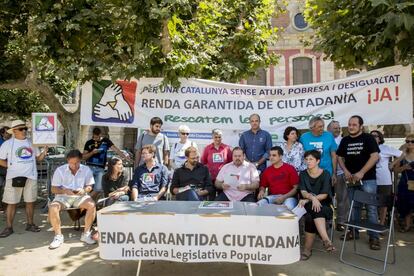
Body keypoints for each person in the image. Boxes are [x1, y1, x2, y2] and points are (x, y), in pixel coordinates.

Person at [336, 115, 381, 250]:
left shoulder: (368, 138)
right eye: (349, 124)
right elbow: (339, 156)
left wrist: (362, 172)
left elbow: (375, 156)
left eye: (354, 124)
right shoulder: (345, 140)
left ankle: (374, 237)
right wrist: (345, 171)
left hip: (368, 179)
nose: (351, 127)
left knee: (371, 208)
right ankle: (353, 232)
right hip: (351, 180)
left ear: (361, 126)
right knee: (354, 207)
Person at [0, 120, 48, 238]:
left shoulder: (32, 143)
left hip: (31, 177)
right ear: (14, 131)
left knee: (30, 201)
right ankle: (9, 227)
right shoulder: (7, 144)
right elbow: (1, 160)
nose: (24, 131)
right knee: (11, 202)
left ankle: (30, 224)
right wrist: (11, 167)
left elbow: (39, 159)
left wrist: (45, 151)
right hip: (13, 177)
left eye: (25, 129)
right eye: (21, 129)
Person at [48, 150, 96, 249]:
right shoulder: (60, 170)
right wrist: (64, 191)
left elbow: (90, 186)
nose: (73, 165)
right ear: (67, 160)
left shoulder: (86, 169)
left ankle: (86, 234)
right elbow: (53, 189)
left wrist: (84, 190)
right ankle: (58, 236)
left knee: (92, 205)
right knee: (53, 207)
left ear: (80, 160)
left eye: (76, 163)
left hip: (80, 196)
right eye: (71, 163)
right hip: (63, 196)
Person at [299, 150, 335, 260]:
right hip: (307, 204)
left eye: (311, 159)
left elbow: (324, 195)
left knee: (312, 215)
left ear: (318, 161)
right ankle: (326, 240)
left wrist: (311, 199)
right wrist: (312, 198)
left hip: (324, 205)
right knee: (313, 210)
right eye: (306, 159)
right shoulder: (303, 173)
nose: (308, 161)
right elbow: (303, 192)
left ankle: (307, 249)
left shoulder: (325, 174)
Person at [83, 127, 129, 198]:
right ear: (93, 135)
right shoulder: (89, 142)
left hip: (100, 168)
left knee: (98, 188)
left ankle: (86, 200)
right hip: (89, 167)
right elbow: (84, 157)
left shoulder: (105, 141)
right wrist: (92, 152)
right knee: (87, 187)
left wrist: (125, 157)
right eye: (94, 137)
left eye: (97, 137)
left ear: (100, 134)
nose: (96, 139)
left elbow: (116, 149)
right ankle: (86, 203)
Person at [370, 130, 402, 225]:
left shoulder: (385, 148)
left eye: (375, 136)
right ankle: (373, 223)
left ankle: (382, 224)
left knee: (383, 204)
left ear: (379, 139)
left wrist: (392, 164)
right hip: (371, 180)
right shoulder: (367, 148)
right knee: (372, 204)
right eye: (370, 136)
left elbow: (402, 154)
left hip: (384, 180)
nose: (373, 137)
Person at [327, 120, 349, 231]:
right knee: (327, 198)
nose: (338, 130)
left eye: (339, 128)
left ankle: (341, 222)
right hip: (326, 174)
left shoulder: (343, 141)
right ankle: (328, 221)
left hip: (340, 173)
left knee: (342, 199)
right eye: (335, 128)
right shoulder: (325, 139)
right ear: (328, 129)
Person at [200, 129, 232, 196]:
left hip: (223, 179)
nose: (218, 139)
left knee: (222, 200)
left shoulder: (227, 148)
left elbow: (230, 162)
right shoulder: (207, 148)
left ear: (222, 137)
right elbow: (203, 162)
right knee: (211, 200)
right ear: (212, 137)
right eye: (215, 137)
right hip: (210, 179)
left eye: (219, 137)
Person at [394, 134, 414, 232]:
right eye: (407, 141)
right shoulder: (402, 155)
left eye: (412, 141)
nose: (410, 143)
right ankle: (407, 225)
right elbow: (395, 170)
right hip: (405, 182)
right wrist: (405, 167)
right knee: (406, 204)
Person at [0, 126, 11, 212]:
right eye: (7, 133)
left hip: (9, 167)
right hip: (1, 167)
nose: (9, 134)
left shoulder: (12, 141)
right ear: (3, 133)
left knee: (9, 187)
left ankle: (6, 204)